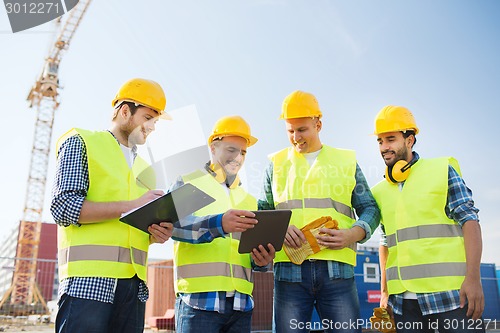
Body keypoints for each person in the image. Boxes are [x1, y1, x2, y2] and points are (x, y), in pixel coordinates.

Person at [51, 78, 174, 333]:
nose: (151, 127)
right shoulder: (82, 141)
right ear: (125, 110)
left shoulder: (146, 171)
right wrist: (132, 205)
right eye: (148, 117)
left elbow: (129, 228)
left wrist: (154, 234)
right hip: (88, 282)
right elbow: (64, 207)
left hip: (133, 287)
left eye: (155, 121)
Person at [258, 90, 381, 333]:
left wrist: (352, 234)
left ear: (318, 125)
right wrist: (278, 230)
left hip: (337, 270)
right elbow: (263, 213)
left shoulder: (345, 161)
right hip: (289, 272)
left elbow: (370, 208)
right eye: (290, 130)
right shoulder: (276, 163)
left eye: (302, 129)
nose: (295, 137)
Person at [371, 105, 485, 332]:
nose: (385, 148)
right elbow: (385, 242)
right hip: (403, 302)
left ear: (410, 140)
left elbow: (470, 220)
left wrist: (473, 279)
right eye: (380, 141)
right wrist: (385, 292)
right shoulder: (380, 190)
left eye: (391, 139)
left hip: (452, 297)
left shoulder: (441, 171)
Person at [171, 115, 276, 333]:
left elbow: (249, 255)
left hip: (240, 306)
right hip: (199, 302)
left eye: (243, 152)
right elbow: (172, 226)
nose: (238, 157)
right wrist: (219, 224)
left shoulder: (249, 200)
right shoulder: (192, 183)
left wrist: (262, 260)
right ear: (213, 148)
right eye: (231, 150)